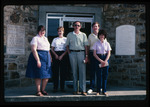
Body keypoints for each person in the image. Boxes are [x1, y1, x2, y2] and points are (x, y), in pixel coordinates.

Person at [26, 25, 52, 96]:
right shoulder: (35, 38)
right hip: (39, 56)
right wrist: (38, 60)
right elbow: (34, 50)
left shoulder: (45, 39)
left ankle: (43, 90)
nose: (42, 32)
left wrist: (50, 57)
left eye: (43, 31)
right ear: (38, 31)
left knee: (47, 75)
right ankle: (38, 91)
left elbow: (48, 49)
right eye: (41, 30)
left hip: (46, 57)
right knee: (39, 74)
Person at [65, 21, 89, 96]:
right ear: (73, 26)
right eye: (75, 25)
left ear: (80, 27)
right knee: (74, 72)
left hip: (81, 53)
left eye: (78, 25)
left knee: (82, 72)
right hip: (72, 53)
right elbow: (67, 45)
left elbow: (86, 46)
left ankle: (83, 90)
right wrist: (69, 53)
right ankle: (75, 90)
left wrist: (86, 56)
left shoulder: (83, 35)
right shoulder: (69, 35)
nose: (77, 27)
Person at [93, 29, 112, 96]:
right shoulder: (96, 43)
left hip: (105, 58)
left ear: (104, 36)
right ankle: (98, 90)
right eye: (100, 35)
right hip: (98, 59)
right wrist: (101, 61)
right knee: (99, 75)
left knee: (105, 75)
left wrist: (105, 61)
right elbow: (94, 54)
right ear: (99, 35)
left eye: (103, 35)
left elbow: (109, 53)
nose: (101, 36)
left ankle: (104, 90)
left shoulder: (107, 43)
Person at [51, 27, 67, 92]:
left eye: (61, 31)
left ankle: (62, 88)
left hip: (63, 55)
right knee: (56, 72)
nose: (60, 32)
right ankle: (55, 87)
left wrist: (62, 55)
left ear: (63, 32)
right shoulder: (55, 39)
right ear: (57, 32)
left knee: (63, 72)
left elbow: (67, 49)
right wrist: (55, 55)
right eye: (59, 31)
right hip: (56, 55)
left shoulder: (66, 39)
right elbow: (52, 49)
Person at [87, 22, 100, 94]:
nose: (95, 28)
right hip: (92, 54)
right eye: (94, 26)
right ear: (92, 28)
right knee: (92, 71)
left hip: (99, 54)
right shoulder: (90, 36)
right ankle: (91, 87)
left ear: (98, 27)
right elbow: (88, 46)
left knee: (99, 71)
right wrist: (88, 56)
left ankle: (99, 87)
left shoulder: (102, 35)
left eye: (96, 26)